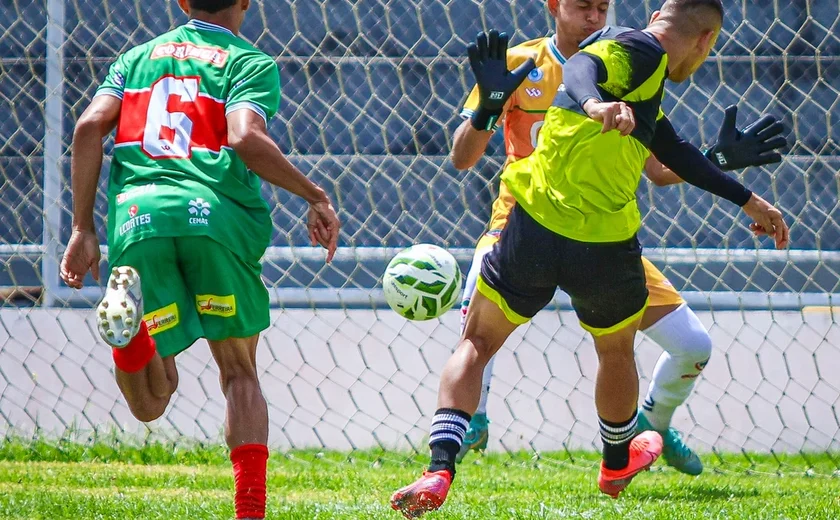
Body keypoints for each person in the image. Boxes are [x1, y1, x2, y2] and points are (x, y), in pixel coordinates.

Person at [391, 0, 789, 516]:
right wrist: (575, 103)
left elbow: (668, 151)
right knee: (614, 349)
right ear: (705, 39)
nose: (594, 15)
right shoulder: (612, 53)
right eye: (584, 5)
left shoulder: (635, 66)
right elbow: (576, 74)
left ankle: (439, 466)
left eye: (603, 6)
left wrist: (739, 188)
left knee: (481, 341)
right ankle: (610, 455)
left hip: (537, 228)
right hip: (577, 236)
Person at [59, 1, 340, 518]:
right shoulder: (246, 61)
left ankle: (130, 335)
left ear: (183, 2)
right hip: (211, 218)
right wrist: (314, 194)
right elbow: (244, 137)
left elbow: (85, 130)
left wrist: (82, 227)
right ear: (246, 2)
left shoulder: (134, 59)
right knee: (238, 373)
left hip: (138, 218)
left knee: (151, 400)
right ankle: (249, 510)